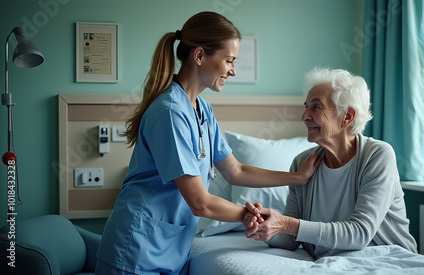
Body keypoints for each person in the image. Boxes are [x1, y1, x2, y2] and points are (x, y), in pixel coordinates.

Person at [95, 11, 321, 275]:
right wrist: (251, 216)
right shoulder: (170, 112)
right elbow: (199, 202)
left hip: (171, 249)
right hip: (136, 250)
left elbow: (235, 171)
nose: (233, 71)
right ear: (200, 56)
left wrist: (297, 177)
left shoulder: (201, 109)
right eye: (229, 60)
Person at [244, 68, 418, 259]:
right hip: (335, 262)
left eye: (316, 107)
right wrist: (265, 226)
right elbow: (290, 239)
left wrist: (285, 223)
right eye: (306, 107)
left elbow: (359, 233)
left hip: (389, 259)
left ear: (347, 116)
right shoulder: (301, 163)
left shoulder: (377, 155)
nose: (304, 116)